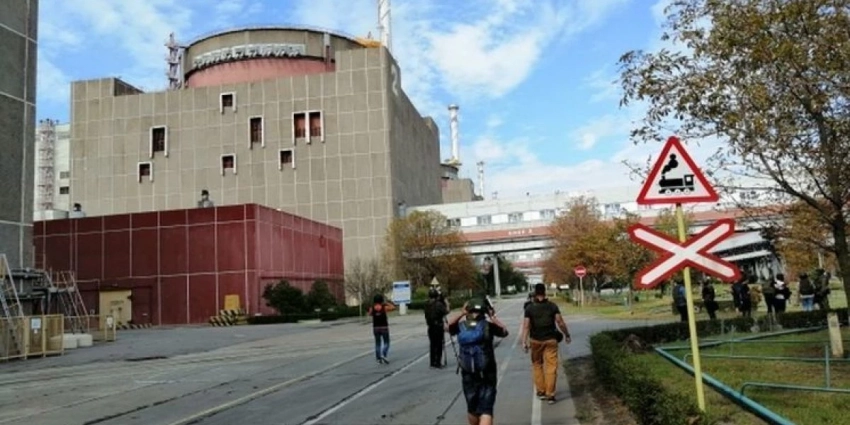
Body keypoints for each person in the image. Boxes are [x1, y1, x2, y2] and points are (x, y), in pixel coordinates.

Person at [446, 297, 509, 425]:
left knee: (472, 408)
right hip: (487, 371)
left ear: (468, 310)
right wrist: (492, 316)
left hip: (468, 372)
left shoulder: (460, 327)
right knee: (486, 409)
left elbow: (447, 327)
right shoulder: (488, 326)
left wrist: (461, 313)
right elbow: (504, 332)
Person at [520, 283, 571, 404]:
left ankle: (541, 391)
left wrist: (524, 341)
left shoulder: (529, 308)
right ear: (545, 292)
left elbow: (526, 326)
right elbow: (560, 322)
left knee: (537, 365)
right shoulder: (552, 306)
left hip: (535, 340)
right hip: (551, 340)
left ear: (535, 293)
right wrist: (567, 334)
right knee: (551, 366)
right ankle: (550, 394)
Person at [424, 287, 449, 368]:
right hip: (438, 326)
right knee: (439, 345)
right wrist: (446, 302)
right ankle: (438, 362)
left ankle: (432, 362)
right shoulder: (439, 304)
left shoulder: (427, 304)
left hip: (430, 326)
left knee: (432, 344)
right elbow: (446, 311)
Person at [368, 294, 390, 364]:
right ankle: (384, 354)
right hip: (384, 327)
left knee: (377, 343)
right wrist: (386, 303)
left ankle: (378, 358)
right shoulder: (384, 308)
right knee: (386, 342)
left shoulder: (372, 308)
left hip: (376, 328)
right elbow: (393, 307)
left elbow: (370, 314)